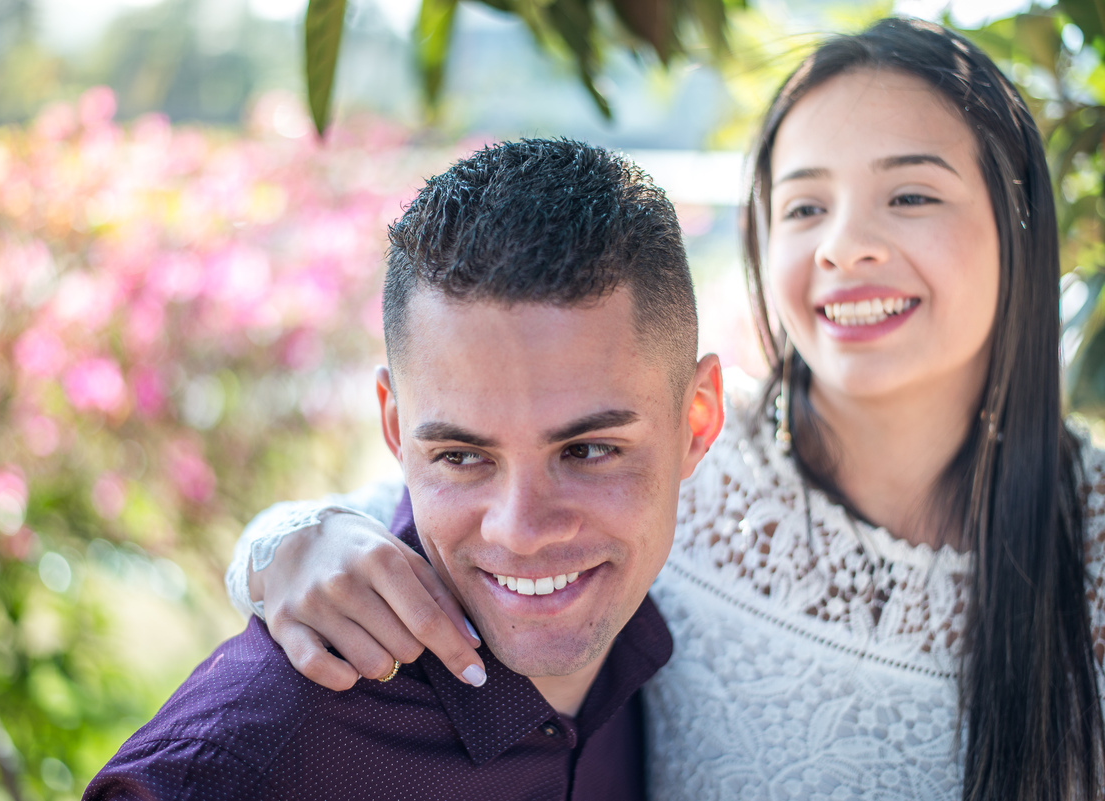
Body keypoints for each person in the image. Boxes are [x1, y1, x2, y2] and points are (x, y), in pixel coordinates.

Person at [225, 17, 1105, 801]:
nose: (845, 246)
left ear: (1021, 216)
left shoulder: (1091, 537)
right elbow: (435, 504)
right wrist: (275, 548)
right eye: (805, 205)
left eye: (909, 194)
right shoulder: (668, 475)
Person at [85, 138, 725, 801]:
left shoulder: (660, 648)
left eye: (588, 450)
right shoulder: (248, 755)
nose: (522, 529)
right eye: (463, 456)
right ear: (395, 429)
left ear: (698, 419)